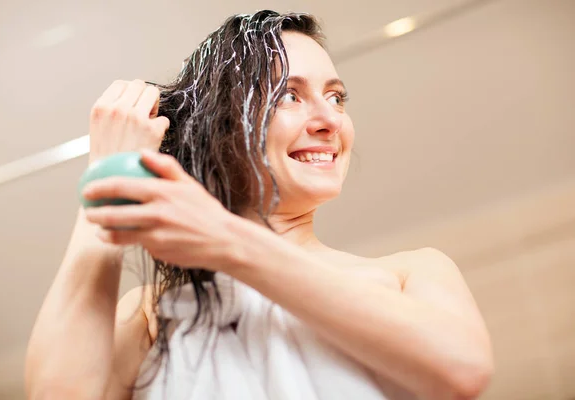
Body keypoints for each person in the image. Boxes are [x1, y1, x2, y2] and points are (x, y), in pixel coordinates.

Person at [25, 10, 493, 400]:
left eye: (336, 97)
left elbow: (462, 370)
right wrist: (109, 182)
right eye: (290, 95)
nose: (331, 119)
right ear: (219, 128)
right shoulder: (151, 315)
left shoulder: (412, 273)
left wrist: (229, 242)